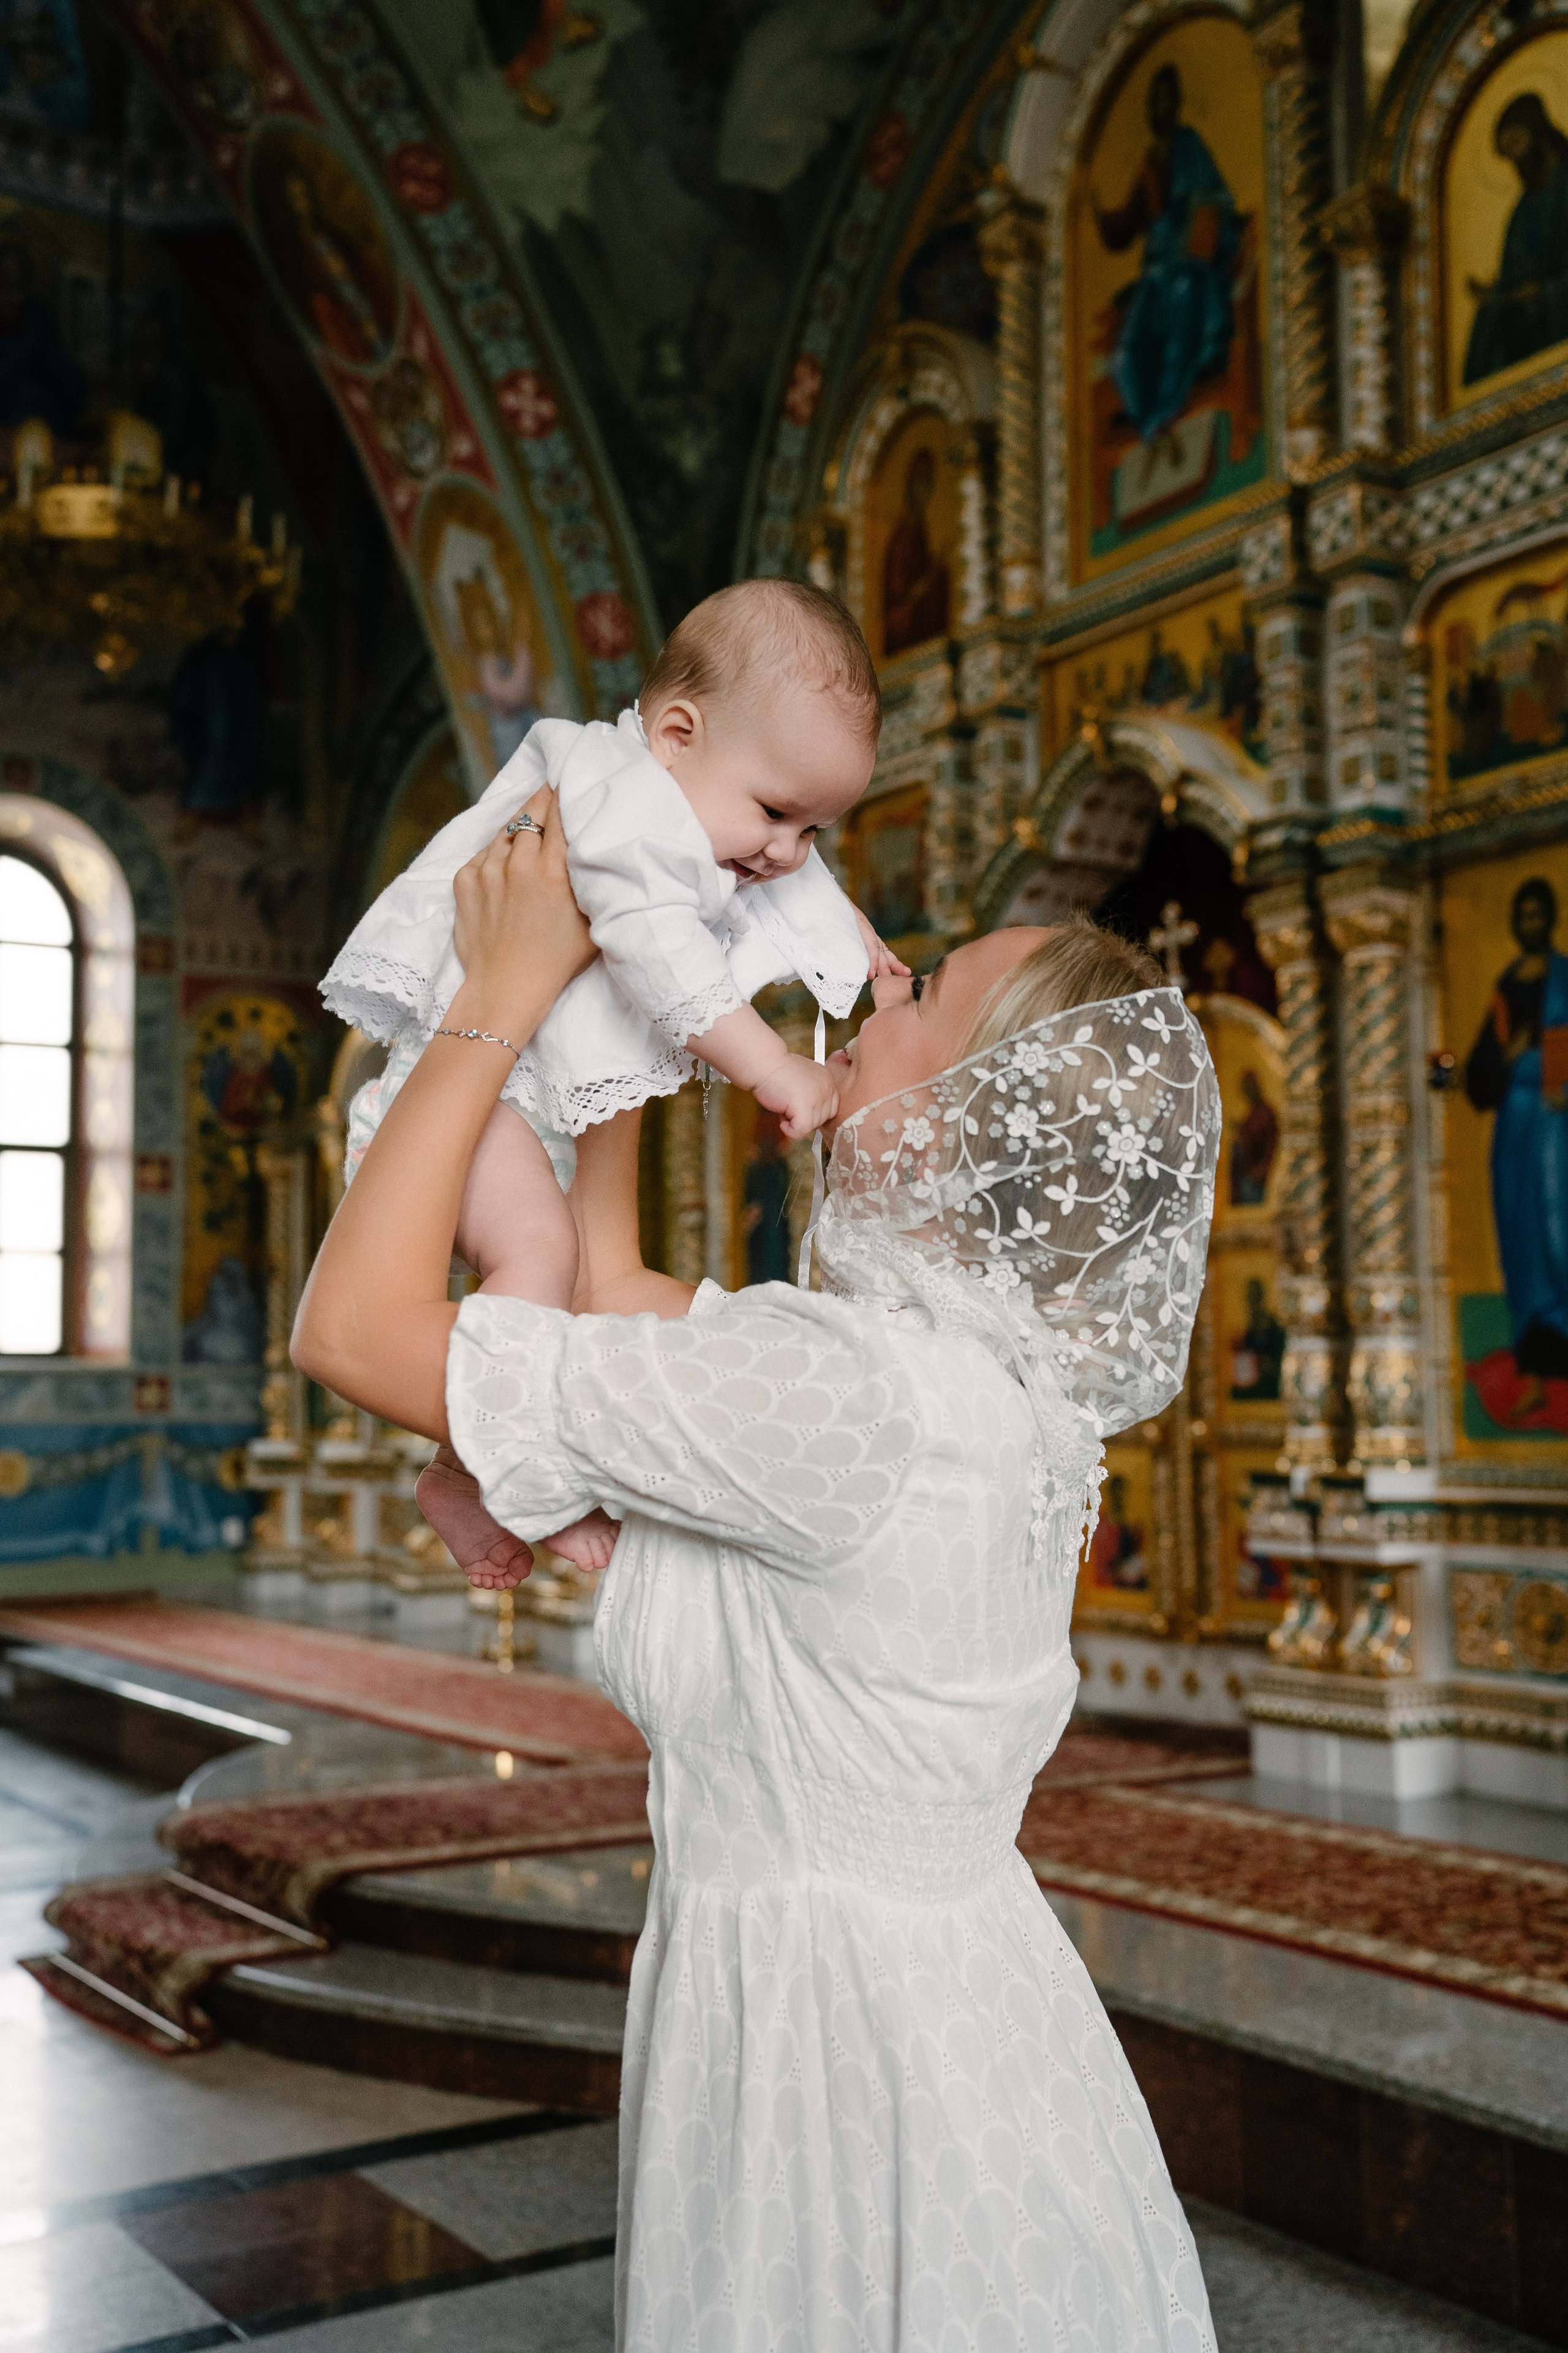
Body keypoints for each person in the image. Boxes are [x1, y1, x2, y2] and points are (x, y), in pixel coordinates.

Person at [292, 799, 1222, 2349]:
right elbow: (607, 1293)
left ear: (954, 1123)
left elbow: (350, 1332)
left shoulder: (847, 1400)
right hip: (943, 2016)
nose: (879, 989)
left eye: (919, 997)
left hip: (835, 2065)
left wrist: (498, 994)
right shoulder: (969, 1386)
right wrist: (636, 1008)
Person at [321, 579, 904, 1580]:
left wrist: (865, 950)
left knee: (556, 1266)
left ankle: (460, 1463)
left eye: (813, 828)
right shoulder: (616, 794)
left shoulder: (704, 790)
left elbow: (803, 887)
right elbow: (658, 952)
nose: (786, 852)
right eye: (776, 814)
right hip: (462, 1100)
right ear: (676, 731)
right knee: (541, 1257)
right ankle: (493, 1475)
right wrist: (773, 1066)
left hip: (515, 1106)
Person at [1094, 62, 1240, 451]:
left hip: (1191, 264)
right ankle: (1146, 413)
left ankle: (1166, 408)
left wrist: (1193, 246)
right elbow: (1130, 223)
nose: (1159, 107)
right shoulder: (1152, 157)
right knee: (1126, 349)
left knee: (1183, 312)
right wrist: (1098, 210)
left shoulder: (1188, 146)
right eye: (1153, 101)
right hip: (1157, 273)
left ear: (1175, 104)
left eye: (1165, 99)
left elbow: (1208, 204)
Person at [1464, 874, 1568, 1414]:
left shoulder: (1565, 980)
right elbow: (1479, 1070)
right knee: (1521, 1235)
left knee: (1559, 1230)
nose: (1529, 924)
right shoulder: (1505, 987)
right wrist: (1507, 1061)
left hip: (1558, 1123)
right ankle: (1535, 1368)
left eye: (1537, 914)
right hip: (1515, 1124)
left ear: (1549, 919)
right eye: (1521, 915)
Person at [1463, 93, 1568, 390]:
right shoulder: (1524, 207)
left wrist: (1545, 291)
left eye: (1517, 144)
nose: (1516, 159)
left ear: (1537, 133)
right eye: (1507, 152)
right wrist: (1496, 291)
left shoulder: (1565, 186)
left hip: (1557, 301)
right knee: (1489, 315)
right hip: (1527, 314)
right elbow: (1514, 272)